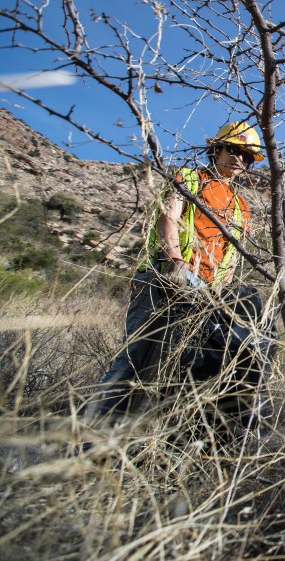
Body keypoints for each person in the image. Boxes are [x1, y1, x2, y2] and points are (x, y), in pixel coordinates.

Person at [86, 121, 274, 440]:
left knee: (187, 366)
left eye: (247, 156)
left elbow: (229, 258)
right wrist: (175, 262)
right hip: (165, 280)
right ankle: (92, 439)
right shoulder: (188, 179)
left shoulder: (241, 208)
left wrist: (219, 292)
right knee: (136, 360)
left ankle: (158, 440)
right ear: (216, 149)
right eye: (234, 150)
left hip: (206, 294)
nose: (239, 160)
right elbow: (168, 218)